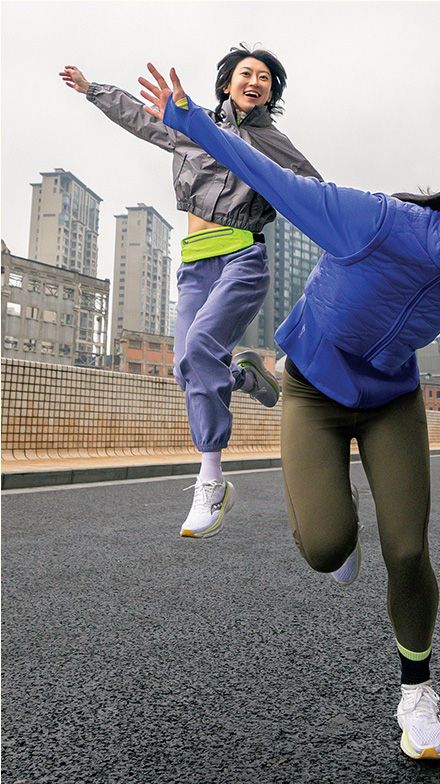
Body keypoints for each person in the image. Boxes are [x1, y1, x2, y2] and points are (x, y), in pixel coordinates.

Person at [142, 66, 440, 760]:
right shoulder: (371, 221)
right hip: (314, 395)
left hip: (391, 403)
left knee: (408, 549)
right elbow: (275, 178)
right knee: (325, 548)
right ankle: (335, 518)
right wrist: (194, 122)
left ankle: (417, 693)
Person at [60, 47, 322, 539]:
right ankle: (246, 379)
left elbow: (316, 190)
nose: (255, 81)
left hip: (242, 257)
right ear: (228, 83)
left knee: (200, 346)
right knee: (188, 362)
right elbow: (141, 119)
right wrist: (93, 89)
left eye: (264, 78)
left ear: (271, 92)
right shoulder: (192, 125)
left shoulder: (274, 142)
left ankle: (211, 480)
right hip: (195, 262)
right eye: (247, 73)